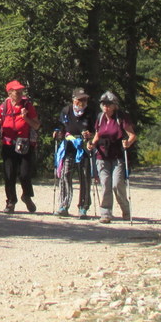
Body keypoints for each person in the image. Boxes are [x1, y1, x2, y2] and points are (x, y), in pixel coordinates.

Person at [86, 91, 138, 223]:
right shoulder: (100, 117)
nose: (105, 107)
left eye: (108, 104)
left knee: (116, 184)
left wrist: (127, 143)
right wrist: (92, 143)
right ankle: (106, 213)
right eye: (103, 104)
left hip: (117, 155)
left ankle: (125, 210)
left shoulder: (121, 118)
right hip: (101, 155)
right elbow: (98, 134)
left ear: (115, 105)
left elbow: (132, 135)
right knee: (105, 184)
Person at [0, 79, 41, 213]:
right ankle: (11, 202)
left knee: (25, 174)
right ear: (9, 92)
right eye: (16, 91)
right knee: (9, 174)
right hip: (8, 144)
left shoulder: (27, 105)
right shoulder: (4, 106)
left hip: (24, 144)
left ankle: (26, 196)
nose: (20, 93)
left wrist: (25, 118)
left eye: (21, 91)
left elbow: (36, 125)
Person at [52, 88, 96, 218]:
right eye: (80, 99)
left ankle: (83, 206)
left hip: (84, 146)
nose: (83, 101)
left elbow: (96, 129)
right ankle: (64, 205)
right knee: (65, 174)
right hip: (69, 146)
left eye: (85, 99)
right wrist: (57, 132)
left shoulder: (90, 112)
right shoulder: (66, 111)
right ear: (74, 100)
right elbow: (60, 125)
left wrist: (91, 134)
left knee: (84, 176)